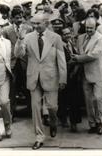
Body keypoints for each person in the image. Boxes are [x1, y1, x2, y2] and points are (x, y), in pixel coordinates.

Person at [14, 13, 67, 150]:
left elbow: (61, 60)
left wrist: (63, 78)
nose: (35, 26)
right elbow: (18, 55)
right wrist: (19, 40)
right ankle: (39, 136)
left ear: (46, 23)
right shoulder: (27, 37)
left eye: (38, 24)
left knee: (52, 107)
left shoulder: (56, 38)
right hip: (33, 78)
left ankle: (53, 122)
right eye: (33, 24)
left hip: (51, 77)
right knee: (36, 107)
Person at [73, 17, 102, 135]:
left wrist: (77, 58)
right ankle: (92, 124)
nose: (88, 30)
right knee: (88, 101)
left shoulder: (101, 38)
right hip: (84, 73)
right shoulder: (81, 37)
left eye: (91, 28)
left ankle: (100, 122)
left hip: (97, 72)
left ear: (95, 27)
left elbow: (94, 55)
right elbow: (77, 50)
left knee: (98, 98)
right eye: (87, 27)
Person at [61, 28, 83, 132]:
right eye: (65, 34)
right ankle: (63, 119)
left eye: (69, 33)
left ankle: (74, 123)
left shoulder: (71, 43)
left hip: (74, 76)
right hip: (64, 76)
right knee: (64, 100)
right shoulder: (59, 46)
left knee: (74, 100)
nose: (67, 35)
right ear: (61, 35)